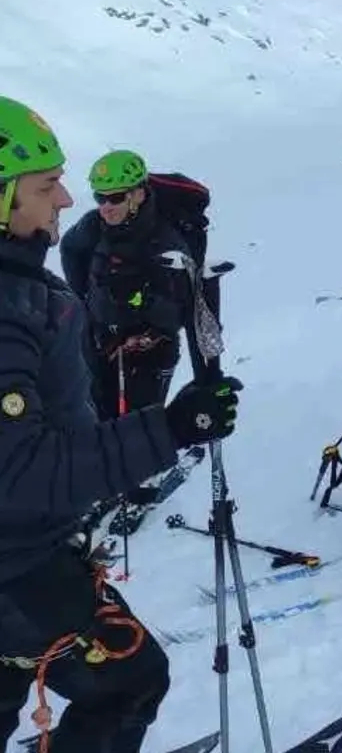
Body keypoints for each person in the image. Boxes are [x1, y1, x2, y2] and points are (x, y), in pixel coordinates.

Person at [0, 96, 241, 753]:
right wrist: (172, 429)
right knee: (131, 681)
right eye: (46, 185)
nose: (68, 198)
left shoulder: (24, 287)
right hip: (21, 568)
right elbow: (19, 471)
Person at [59, 150, 208, 532]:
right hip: (100, 343)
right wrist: (86, 303)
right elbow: (70, 250)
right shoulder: (94, 227)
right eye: (100, 197)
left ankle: (143, 490)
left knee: (142, 421)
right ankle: (108, 485)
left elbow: (180, 309)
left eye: (115, 197)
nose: (105, 207)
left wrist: (139, 302)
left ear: (139, 194)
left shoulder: (165, 240)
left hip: (148, 349)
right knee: (101, 417)